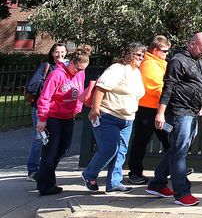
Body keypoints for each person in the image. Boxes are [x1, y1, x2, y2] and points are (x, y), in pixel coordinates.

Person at [147, 32, 202, 207]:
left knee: (177, 149)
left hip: (192, 111)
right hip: (178, 112)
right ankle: (182, 192)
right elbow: (168, 87)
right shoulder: (178, 61)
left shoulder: (198, 62)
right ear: (192, 43)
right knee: (179, 152)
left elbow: (200, 84)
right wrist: (160, 113)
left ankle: (157, 183)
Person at [82, 42, 147, 194]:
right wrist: (95, 109)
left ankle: (114, 183)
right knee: (109, 149)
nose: (141, 58)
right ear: (129, 54)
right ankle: (89, 174)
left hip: (128, 118)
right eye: (138, 55)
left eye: (143, 55)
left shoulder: (136, 72)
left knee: (121, 151)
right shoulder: (117, 69)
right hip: (108, 115)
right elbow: (101, 87)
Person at [34, 44, 92, 196]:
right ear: (72, 62)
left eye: (83, 69)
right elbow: (45, 97)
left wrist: (77, 108)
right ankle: (45, 185)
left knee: (63, 148)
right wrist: (42, 118)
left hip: (68, 116)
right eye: (78, 69)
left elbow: (80, 91)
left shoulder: (80, 73)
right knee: (50, 151)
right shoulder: (57, 75)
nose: (80, 72)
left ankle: (45, 176)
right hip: (53, 117)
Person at [126, 35, 172, 185]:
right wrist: (170, 97)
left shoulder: (159, 63)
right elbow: (155, 87)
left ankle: (173, 166)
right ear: (155, 50)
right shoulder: (150, 64)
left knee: (168, 137)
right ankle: (135, 172)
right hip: (147, 109)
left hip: (158, 108)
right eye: (164, 51)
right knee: (141, 140)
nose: (166, 54)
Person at [26, 41, 67, 180]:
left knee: (52, 140)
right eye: (57, 52)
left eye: (62, 52)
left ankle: (46, 169)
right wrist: (51, 83)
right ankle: (33, 170)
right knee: (39, 138)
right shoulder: (47, 66)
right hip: (41, 107)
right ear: (52, 53)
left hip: (55, 110)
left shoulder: (67, 68)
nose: (59, 54)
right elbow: (34, 85)